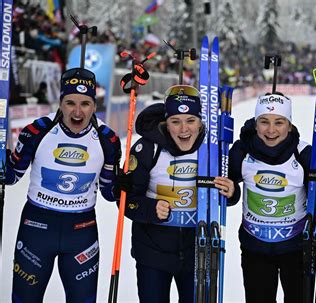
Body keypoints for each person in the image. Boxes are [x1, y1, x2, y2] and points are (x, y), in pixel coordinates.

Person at [4, 67, 122, 302]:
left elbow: (110, 192)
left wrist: (125, 181)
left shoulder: (108, 140)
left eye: (85, 104)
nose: (77, 112)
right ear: (60, 103)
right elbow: (11, 176)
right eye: (70, 103)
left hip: (81, 232)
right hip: (36, 228)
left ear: (94, 105)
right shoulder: (37, 131)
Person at [121, 84, 235, 303]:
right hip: (152, 253)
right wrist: (150, 208)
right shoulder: (147, 149)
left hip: (198, 253)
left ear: (201, 121)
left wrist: (230, 192)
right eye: (176, 121)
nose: (184, 130)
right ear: (166, 122)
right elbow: (126, 200)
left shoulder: (212, 149)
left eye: (191, 120)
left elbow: (222, 194)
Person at [228, 92, 311, 303]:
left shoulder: (304, 154)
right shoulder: (241, 152)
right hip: (255, 247)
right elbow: (227, 191)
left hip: (295, 248)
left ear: (289, 125)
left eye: (279, 122)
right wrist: (230, 192)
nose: (271, 130)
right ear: (256, 124)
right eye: (264, 122)